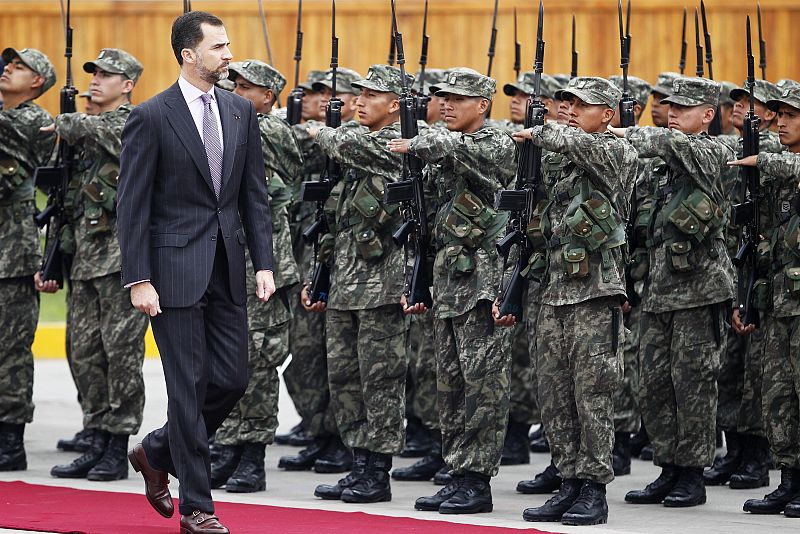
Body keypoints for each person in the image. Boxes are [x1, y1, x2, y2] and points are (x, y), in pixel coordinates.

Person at [117, 11, 276, 533]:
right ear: (189, 54)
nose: (228, 55)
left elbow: (253, 194)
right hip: (170, 275)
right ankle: (197, 509)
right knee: (187, 388)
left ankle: (157, 450)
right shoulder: (151, 116)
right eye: (218, 47)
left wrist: (264, 263)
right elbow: (132, 206)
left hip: (227, 266)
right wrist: (138, 278)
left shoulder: (239, 110)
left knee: (232, 379)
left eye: (228, 45)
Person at [504, 76, 637, 526]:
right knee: (555, 395)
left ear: (608, 114)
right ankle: (568, 481)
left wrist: (541, 130)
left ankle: (594, 489)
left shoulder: (617, 152)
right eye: (567, 103)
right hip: (552, 292)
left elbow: (580, 146)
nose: (572, 110)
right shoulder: (558, 160)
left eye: (582, 105)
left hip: (595, 293)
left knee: (592, 394)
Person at [389, 67, 516, 515]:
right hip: (447, 283)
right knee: (450, 386)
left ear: (482, 105)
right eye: (442, 98)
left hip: (483, 283)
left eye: (458, 98)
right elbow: (424, 223)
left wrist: (416, 140)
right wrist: (415, 280)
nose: (446, 105)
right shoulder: (443, 148)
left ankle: (477, 480)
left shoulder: (494, 144)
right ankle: (458, 471)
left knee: (483, 385)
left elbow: (452, 148)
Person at [614, 76, 735, 509]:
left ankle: (692, 473)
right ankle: (667, 467)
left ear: (708, 114)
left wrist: (623, 132)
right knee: (655, 386)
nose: (673, 114)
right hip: (658, 292)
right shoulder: (661, 167)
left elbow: (667, 143)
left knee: (693, 384)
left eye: (684, 108)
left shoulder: (714, 153)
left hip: (700, 292)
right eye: (672, 107)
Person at [302, 64, 410, 504]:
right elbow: (338, 222)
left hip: (382, 286)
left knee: (379, 379)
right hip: (345, 284)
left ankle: (378, 470)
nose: (359, 101)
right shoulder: (357, 141)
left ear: (396, 105)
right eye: (358, 94)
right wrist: (320, 276)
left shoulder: (400, 143)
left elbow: (347, 143)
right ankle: (358, 463)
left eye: (371, 95)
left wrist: (319, 130)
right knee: (344, 377)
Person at [46, 48, 149, 483]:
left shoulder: (133, 122)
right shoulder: (89, 133)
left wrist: (66, 122)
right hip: (87, 260)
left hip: (122, 262)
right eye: (94, 73)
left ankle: (117, 445)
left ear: (127, 85)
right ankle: (94, 435)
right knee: (84, 352)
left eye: (107, 75)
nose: (95, 80)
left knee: (120, 354)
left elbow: (103, 131)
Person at [209, 59, 302, 493]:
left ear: (268, 97)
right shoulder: (223, 122)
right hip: (225, 260)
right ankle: (227, 446)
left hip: (262, 266)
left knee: (259, 362)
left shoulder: (272, 129)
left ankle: (253, 454)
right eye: (233, 85)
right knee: (224, 360)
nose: (235, 92)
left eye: (246, 87)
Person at [706, 78, 783, 491]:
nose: (738, 106)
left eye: (749, 102)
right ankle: (734, 450)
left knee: (757, 371)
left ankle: (756, 455)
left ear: (769, 113)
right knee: (730, 368)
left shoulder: (771, 151)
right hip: (732, 266)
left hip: (764, 270)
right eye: (735, 100)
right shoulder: (732, 151)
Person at [729, 84, 800, 517]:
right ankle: (789, 480)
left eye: (791, 116)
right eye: (779, 116)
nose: (782, 123)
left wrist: (763, 160)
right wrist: (748, 299)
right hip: (778, 302)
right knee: (778, 395)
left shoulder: (783, 165)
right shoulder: (776, 172)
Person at [0, 47, 56, 472]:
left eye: (19, 67)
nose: (8, 69)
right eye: (8, 64)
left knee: (11, 351)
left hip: (13, 254)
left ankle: (10, 438)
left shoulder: (32, 121)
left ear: (37, 82)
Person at [608, 74, 652, 477]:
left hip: (644, 275)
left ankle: (625, 438)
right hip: (617, 270)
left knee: (631, 361)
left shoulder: (647, 157)